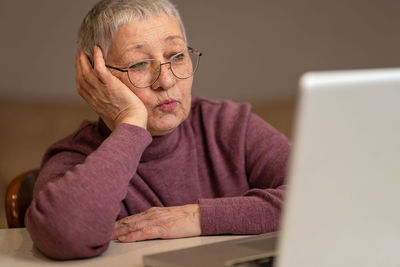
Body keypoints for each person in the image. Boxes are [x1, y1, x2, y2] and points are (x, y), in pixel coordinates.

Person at [25, 0, 290, 260]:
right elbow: (65, 236)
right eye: (138, 64)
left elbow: (322, 194)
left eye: (176, 56)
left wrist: (197, 217)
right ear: (97, 78)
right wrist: (130, 123)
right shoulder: (75, 157)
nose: (166, 80)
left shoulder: (228, 124)